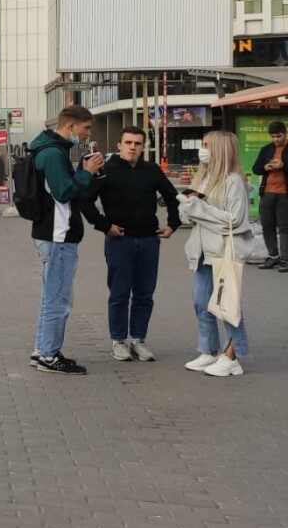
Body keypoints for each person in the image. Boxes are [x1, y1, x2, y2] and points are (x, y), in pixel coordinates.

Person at [80, 126, 181, 362]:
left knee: (145, 293)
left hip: (149, 240)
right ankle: (118, 341)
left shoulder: (152, 170)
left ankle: (138, 340)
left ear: (143, 146)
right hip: (120, 241)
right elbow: (85, 201)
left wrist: (173, 224)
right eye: (128, 143)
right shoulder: (106, 170)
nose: (133, 147)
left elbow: (172, 196)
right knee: (119, 293)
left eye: (137, 143)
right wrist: (105, 226)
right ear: (119, 145)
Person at [28, 105, 104, 375]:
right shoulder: (52, 154)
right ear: (71, 126)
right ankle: (48, 355)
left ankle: (43, 350)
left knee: (52, 297)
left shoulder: (50, 150)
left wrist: (85, 172)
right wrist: (87, 172)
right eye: (86, 128)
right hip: (57, 236)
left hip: (52, 233)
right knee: (58, 300)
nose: (87, 134)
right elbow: (64, 193)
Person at [178, 131, 253, 377]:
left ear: (221, 149)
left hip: (223, 252)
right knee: (202, 303)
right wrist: (187, 206)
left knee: (226, 303)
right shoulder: (203, 178)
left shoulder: (233, 181)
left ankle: (232, 355)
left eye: (208, 145)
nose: (203, 150)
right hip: (201, 252)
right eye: (203, 144)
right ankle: (208, 349)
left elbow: (235, 220)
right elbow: (188, 215)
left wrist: (198, 207)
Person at [250, 121, 288, 269]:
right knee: (267, 225)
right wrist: (265, 167)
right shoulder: (266, 149)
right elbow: (256, 168)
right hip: (267, 193)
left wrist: (283, 165)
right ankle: (273, 256)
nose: (276, 139)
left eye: (279, 136)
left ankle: (285, 259)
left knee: (285, 227)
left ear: (285, 133)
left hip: (284, 194)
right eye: (273, 136)